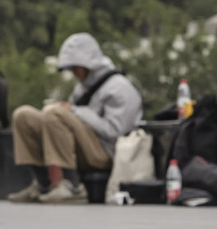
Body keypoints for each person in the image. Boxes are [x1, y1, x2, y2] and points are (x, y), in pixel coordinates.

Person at [8, 32, 143, 204]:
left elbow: (115, 132)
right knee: (24, 115)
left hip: (108, 153)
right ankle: (42, 184)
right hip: (84, 147)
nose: (74, 72)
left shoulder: (119, 88)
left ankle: (73, 187)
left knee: (54, 113)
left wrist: (75, 111)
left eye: (76, 67)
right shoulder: (82, 87)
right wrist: (67, 111)